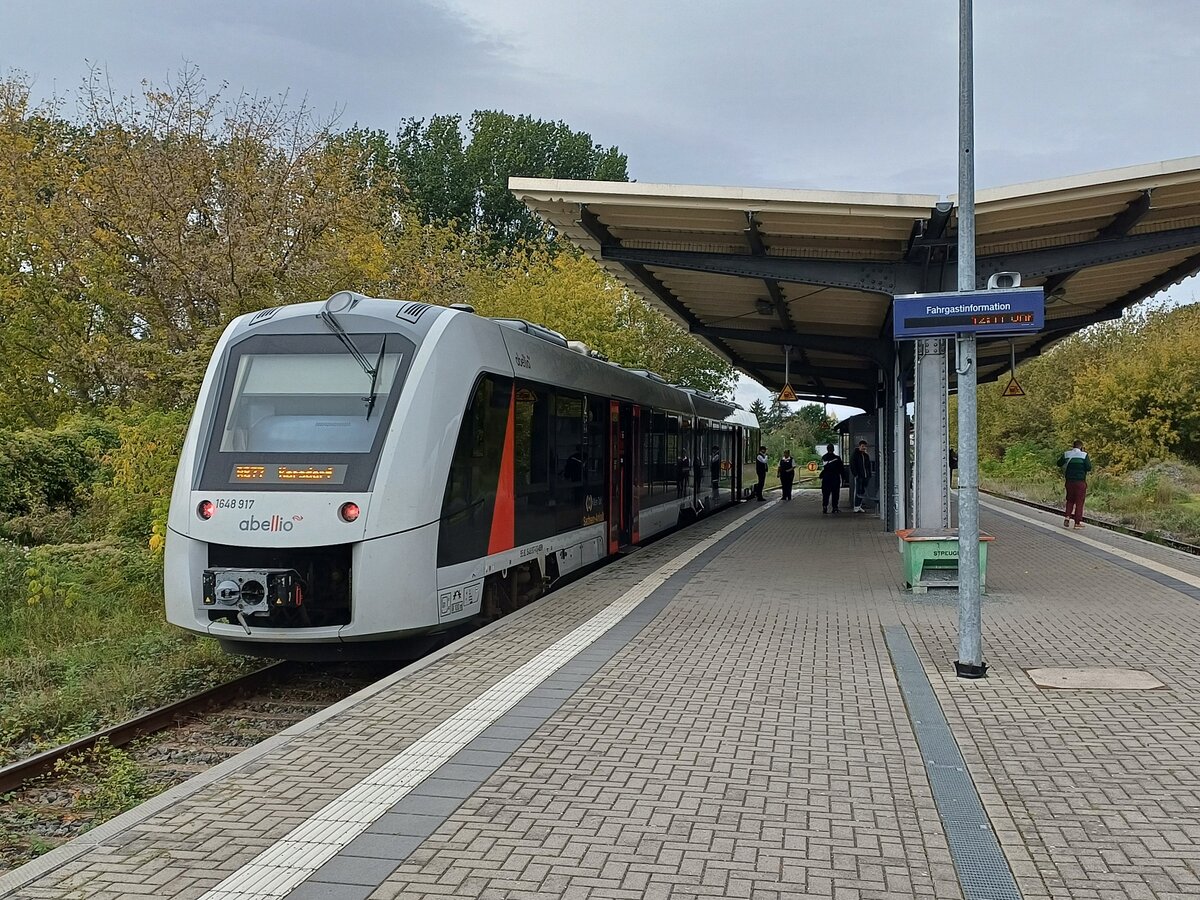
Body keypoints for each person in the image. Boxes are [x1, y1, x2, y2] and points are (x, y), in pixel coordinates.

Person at [1057, 439, 1093, 528]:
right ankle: (1077, 523)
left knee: (1070, 500)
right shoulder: (1084, 455)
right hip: (1080, 482)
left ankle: (1067, 516)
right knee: (1079, 501)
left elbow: (1059, 463)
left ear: (1073, 446)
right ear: (1081, 447)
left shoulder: (1067, 454)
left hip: (1069, 481)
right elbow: (1089, 467)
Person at [820, 443, 845, 514]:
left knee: (825, 493)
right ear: (833, 449)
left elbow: (824, 468)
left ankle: (825, 506)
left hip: (826, 478)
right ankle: (835, 507)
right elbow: (841, 469)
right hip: (835, 478)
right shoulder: (837, 458)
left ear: (827, 449)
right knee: (835, 494)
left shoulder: (824, 457)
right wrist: (843, 478)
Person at [849, 440, 872, 513]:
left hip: (866, 476)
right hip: (859, 476)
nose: (864, 448)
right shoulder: (855, 455)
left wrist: (869, 474)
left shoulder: (866, 456)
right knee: (858, 490)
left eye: (865, 446)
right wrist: (856, 474)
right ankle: (856, 506)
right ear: (859, 446)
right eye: (862, 446)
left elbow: (868, 466)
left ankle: (859, 505)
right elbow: (852, 465)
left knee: (862, 490)